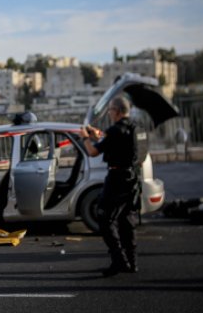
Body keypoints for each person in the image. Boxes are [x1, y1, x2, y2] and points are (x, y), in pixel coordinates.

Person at [80, 96, 141, 277]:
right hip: (132, 179)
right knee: (126, 221)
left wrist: (85, 138)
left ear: (118, 111)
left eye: (111, 110)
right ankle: (132, 262)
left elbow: (92, 152)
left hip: (116, 179)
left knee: (105, 219)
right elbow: (111, 139)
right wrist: (95, 134)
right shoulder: (135, 128)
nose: (109, 113)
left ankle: (119, 260)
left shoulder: (116, 131)